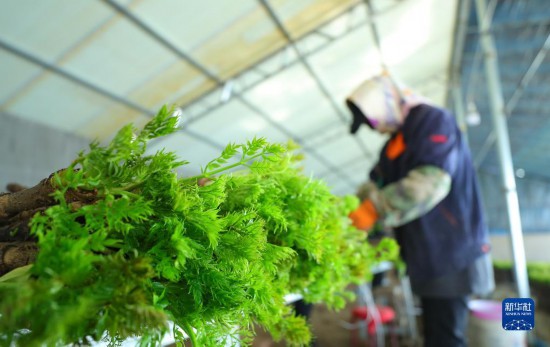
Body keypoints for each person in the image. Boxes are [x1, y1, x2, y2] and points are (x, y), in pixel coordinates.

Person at [346, 74, 495, 347]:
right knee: (436, 336)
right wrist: (346, 212)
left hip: (450, 253)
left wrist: (371, 211)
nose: (376, 129)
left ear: (384, 105)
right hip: (426, 256)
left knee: (445, 339)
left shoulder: (432, 120)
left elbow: (431, 181)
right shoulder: (393, 143)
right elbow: (375, 183)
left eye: (373, 122)